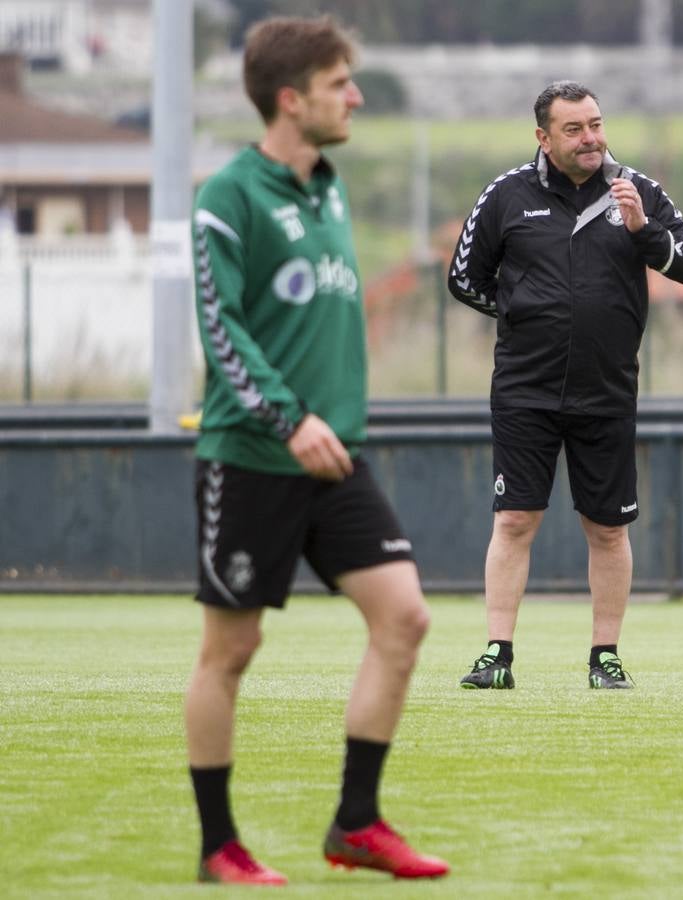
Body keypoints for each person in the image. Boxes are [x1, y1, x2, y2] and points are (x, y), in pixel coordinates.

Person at [184, 16, 448, 885]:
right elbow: (222, 332)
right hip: (255, 455)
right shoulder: (228, 194)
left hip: (336, 460)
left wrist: (321, 426)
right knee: (231, 652)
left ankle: (355, 825)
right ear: (292, 100)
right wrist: (291, 418)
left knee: (404, 618)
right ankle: (218, 845)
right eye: (341, 83)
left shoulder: (327, 190)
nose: (356, 97)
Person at [447, 80, 683, 691]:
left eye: (595, 124)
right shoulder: (507, 195)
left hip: (608, 390)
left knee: (608, 528)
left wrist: (644, 231)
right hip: (524, 390)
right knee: (514, 519)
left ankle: (605, 657)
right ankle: (497, 655)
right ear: (543, 137)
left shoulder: (636, 190)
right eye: (574, 129)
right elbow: (465, 277)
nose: (590, 138)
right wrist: (522, 314)